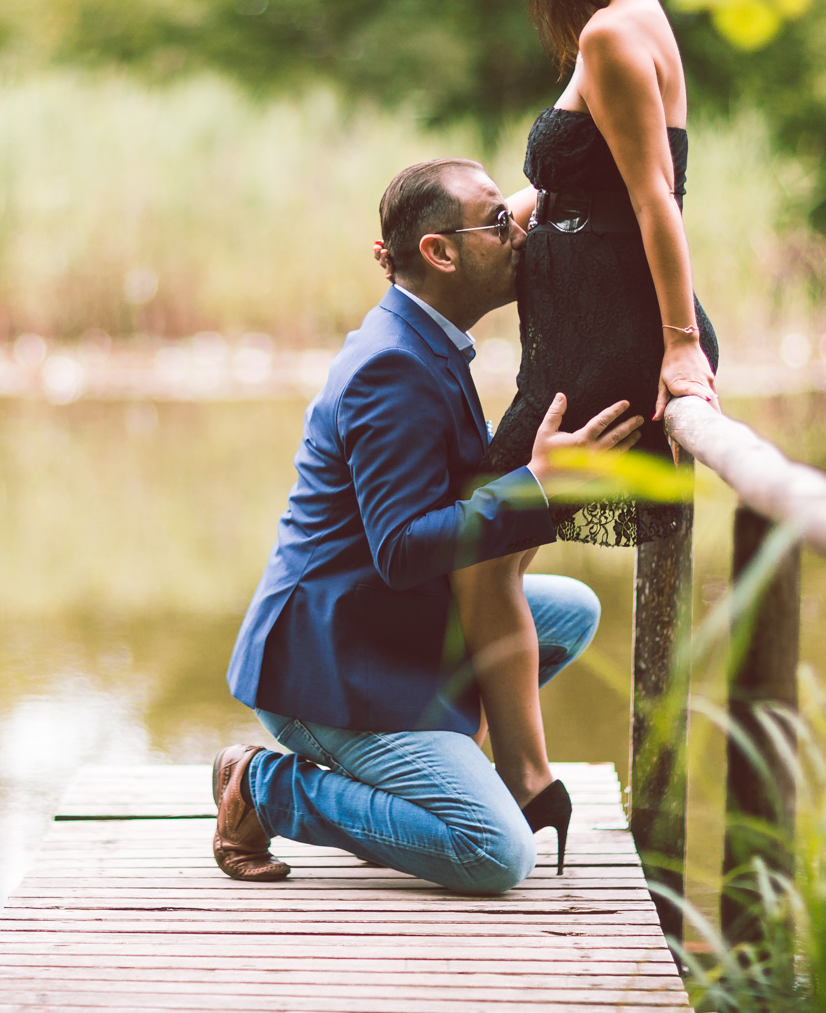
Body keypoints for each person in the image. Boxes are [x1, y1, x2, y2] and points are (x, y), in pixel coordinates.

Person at [213, 157, 645, 892]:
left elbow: (488, 217)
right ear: (440, 253)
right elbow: (403, 551)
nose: (518, 235)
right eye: (499, 224)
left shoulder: (421, 329)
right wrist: (535, 486)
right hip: (325, 661)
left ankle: (440, 754)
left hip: (382, 626)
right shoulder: (393, 367)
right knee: (496, 854)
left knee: (569, 613)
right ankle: (265, 788)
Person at [445, 0, 722, 824]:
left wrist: (682, 345)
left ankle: (510, 780)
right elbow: (601, 178)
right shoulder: (629, 6)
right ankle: (509, 776)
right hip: (580, 334)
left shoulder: (609, 34)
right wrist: (529, 202)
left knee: (479, 545)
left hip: (608, 342)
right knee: (485, 549)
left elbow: (656, 200)